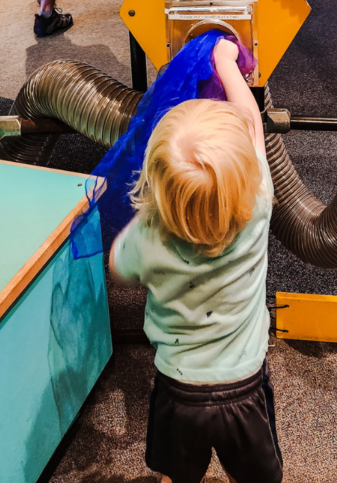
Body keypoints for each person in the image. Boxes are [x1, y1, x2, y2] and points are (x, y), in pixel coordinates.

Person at [111, 37, 282, 483]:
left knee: (178, 471)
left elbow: (117, 265)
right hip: (243, 384)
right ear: (244, 177)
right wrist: (226, 63)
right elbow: (250, 124)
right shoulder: (257, 207)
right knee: (257, 475)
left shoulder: (148, 235)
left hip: (178, 387)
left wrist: (142, 227)